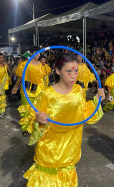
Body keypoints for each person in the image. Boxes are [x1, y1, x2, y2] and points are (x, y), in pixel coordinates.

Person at [22, 54, 105, 187]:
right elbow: (31, 120)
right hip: (49, 150)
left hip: (70, 149)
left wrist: (97, 100)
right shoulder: (47, 94)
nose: (73, 76)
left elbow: (84, 114)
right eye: (69, 71)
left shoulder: (79, 90)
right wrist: (38, 120)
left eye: (76, 71)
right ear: (58, 71)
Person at [12, 46, 45, 136]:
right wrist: (15, 87)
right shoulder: (24, 64)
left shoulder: (41, 65)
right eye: (35, 52)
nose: (38, 55)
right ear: (31, 53)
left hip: (38, 90)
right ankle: (26, 128)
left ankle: (35, 128)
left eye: (39, 53)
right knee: (26, 110)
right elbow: (20, 77)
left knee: (38, 110)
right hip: (27, 91)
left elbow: (42, 78)